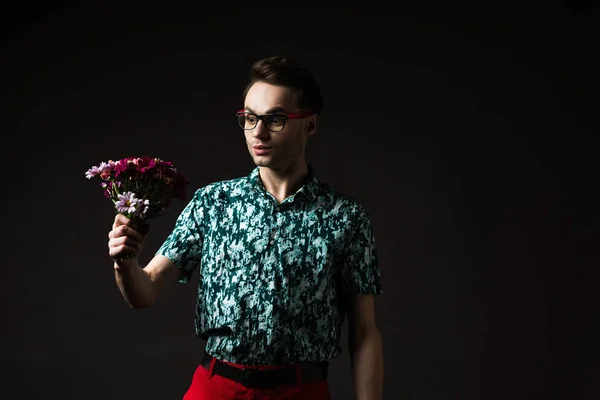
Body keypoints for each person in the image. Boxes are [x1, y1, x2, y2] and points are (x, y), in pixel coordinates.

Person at [107, 55, 384, 400]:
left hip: (301, 391)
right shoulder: (214, 202)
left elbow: (364, 331)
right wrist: (125, 263)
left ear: (310, 125)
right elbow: (144, 291)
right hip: (215, 388)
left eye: (276, 119)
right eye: (249, 118)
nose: (258, 132)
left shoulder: (345, 217)